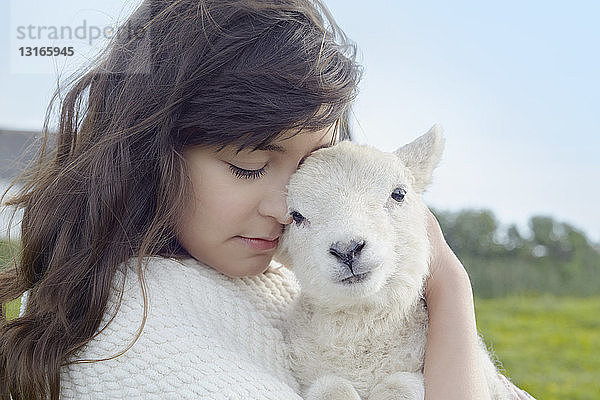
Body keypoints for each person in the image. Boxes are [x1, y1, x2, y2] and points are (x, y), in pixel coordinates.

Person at [0, 0, 534, 399]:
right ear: (149, 156)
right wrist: (449, 287)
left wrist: (442, 282)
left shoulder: (272, 278)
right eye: (249, 167)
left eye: (309, 167)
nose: (286, 209)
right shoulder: (128, 326)